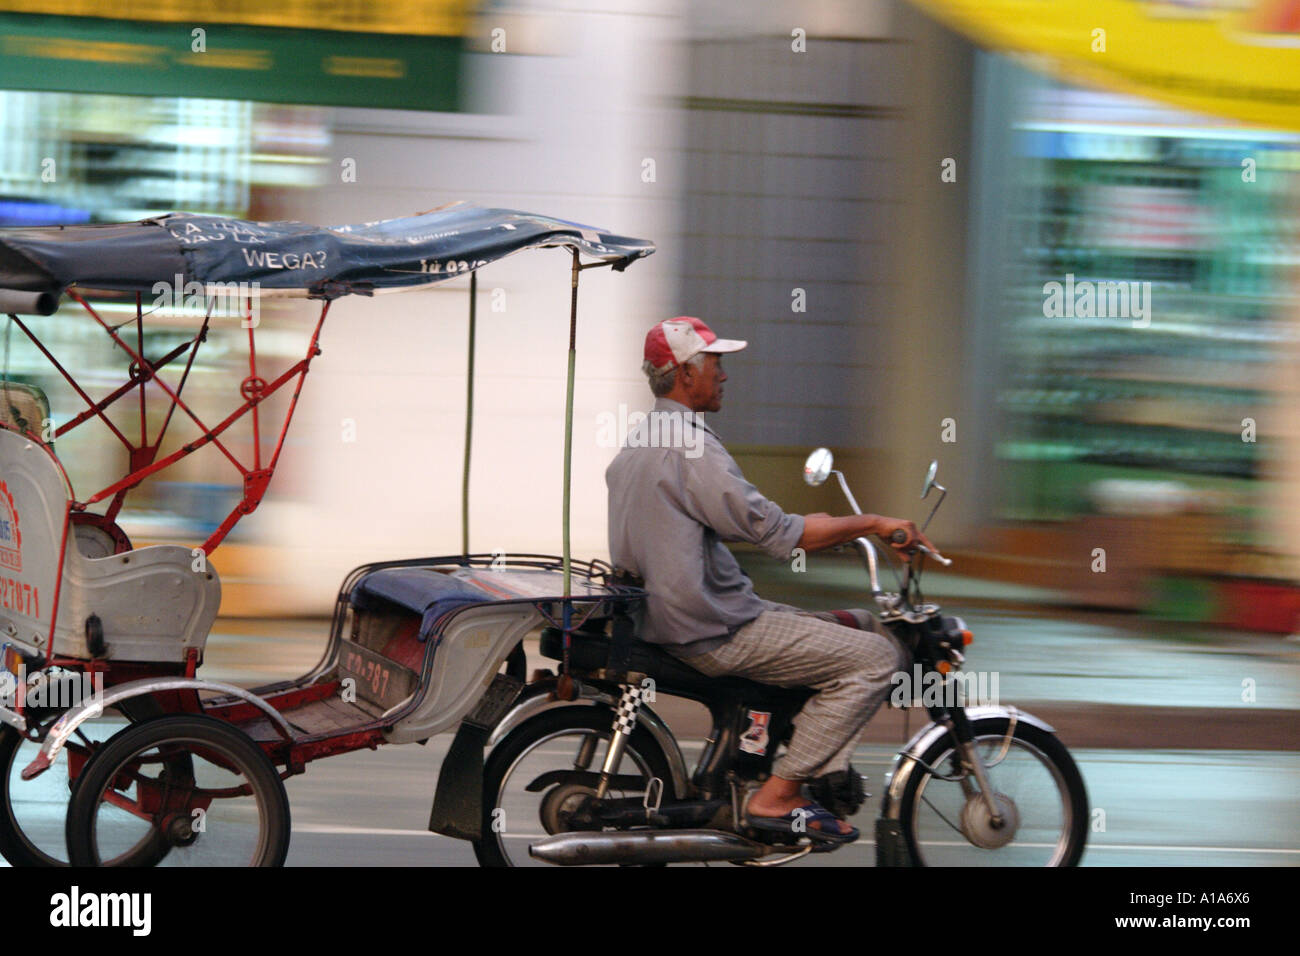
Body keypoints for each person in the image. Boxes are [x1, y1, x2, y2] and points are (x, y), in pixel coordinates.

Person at [605, 316, 936, 845]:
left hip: (673, 614)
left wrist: (846, 528)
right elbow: (776, 532)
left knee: (864, 627)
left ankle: (816, 770)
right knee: (877, 659)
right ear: (687, 374)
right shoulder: (692, 449)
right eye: (717, 363)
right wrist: (873, 523)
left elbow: (750, 523)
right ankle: (777, 795)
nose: (725, 375)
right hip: (711, 628)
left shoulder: (644, 438)